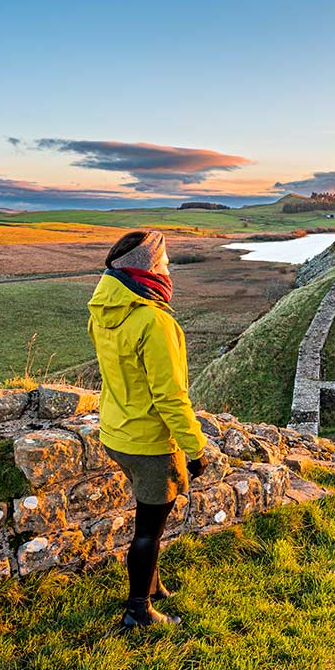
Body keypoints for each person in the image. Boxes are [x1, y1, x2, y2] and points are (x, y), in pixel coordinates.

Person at [87, 230, 208, 629]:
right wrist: (196, 449)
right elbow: (170, 397)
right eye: (165, 263)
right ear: (147, 269)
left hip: (115, 434)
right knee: (148, 531)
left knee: (148, 525)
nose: (169, 269)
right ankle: (138, 609)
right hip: (150, 443)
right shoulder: (154, 322)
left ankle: (152, 585)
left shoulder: (104, 311)